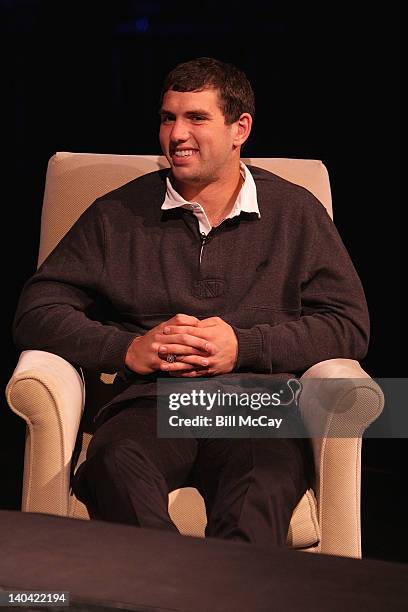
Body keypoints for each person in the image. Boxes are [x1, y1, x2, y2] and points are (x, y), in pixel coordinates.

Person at [12, 57, 369, 547]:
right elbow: (36, 310)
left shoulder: (294, 212)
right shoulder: (118, 213)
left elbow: (348, 323)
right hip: (150, 402)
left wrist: (243, 347)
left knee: (256, 492)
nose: (176, 134)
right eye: (167, 118)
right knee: (113, 470)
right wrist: (125, 348)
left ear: (239, 127)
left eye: (196, 118)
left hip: (254, 406)